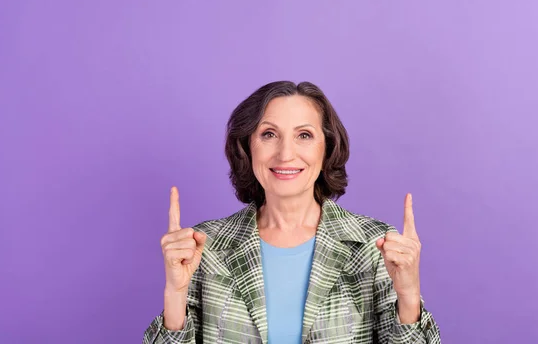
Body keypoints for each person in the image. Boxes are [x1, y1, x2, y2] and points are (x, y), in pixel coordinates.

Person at [143, 81, 441, 344]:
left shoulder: (375, 247)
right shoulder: (203, 247)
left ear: (327, 148)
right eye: (269, 134)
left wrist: (409, 295)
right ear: (248, 147)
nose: (286, 153)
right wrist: (175, 293)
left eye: (304, 135)